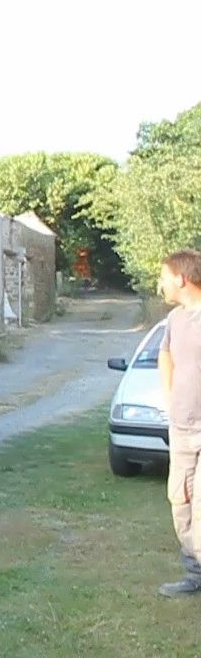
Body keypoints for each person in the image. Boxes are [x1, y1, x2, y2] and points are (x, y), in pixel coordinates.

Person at [157, 248, 201, 597]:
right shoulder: (175, 320)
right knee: (180, 501)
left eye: (164, 277)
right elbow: (165, 355)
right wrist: (171, 398)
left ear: (181, 278)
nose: (161, 284)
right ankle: (195, 574)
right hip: (182, 427)